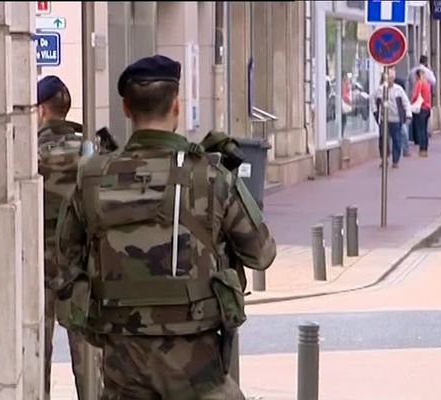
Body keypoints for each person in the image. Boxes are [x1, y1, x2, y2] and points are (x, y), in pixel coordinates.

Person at [53, 54, 277, 399]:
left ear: (126, 109)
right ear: (177, 105)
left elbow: (66, 263)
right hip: (199, 374)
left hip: (122, 370)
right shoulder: (211, 176)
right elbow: (262, 254)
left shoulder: (92, 178)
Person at [37, 75, 101, 399]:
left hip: (39, 265)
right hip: (80, 266)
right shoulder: (90, 150)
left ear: (40, 111)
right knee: (86, 351)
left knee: (37, 348)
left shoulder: (29, 151)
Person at [374, 68, 412, 168]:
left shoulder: (399, 90)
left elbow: (406, 103)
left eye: (391, 78)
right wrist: (375, 113)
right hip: (384, 119)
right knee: (383, 138)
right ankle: (384, 158)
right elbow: (372, 101)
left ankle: (395, 160)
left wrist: (408, 115)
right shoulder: (380, 90)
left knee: (396, 139)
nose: (389, 80)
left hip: (396, 119)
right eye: (387, 78)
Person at [411, 68, 432, 157]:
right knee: (424, 129)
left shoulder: (419, 83)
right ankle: (425, 149)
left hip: (421, 108)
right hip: (427, 108)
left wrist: (411, 102)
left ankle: (422, 149)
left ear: (417, 76)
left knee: (420, 129)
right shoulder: (427, 84)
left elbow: (415, 95)